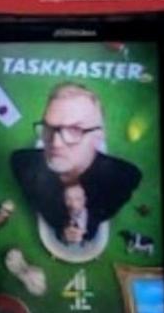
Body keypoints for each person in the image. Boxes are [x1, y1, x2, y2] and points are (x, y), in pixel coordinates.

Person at [11, 83, 141, 245]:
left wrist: (84, 228)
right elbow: (45, 208)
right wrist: (62, 229)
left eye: (74, 130)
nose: (56, 143)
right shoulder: (23, 164)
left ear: (98, 136)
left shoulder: (124, 178)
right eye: (49, 127)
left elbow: (100, 214)